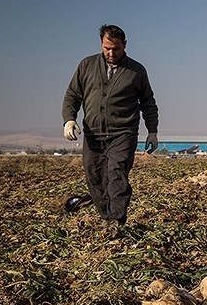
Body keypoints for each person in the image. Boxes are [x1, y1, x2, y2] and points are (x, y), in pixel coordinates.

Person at [62, 24, 159, 226]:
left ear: (125, 45)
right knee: (94, 177)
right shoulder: (86, 65)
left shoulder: (136, 71)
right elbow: (73, 95)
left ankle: (116, 221)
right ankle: (106, 216)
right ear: (101, 44)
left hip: (123, 132)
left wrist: (152, 131)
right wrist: (69, 119)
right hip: (93, 134)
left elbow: (148, 102)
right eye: (107, 48)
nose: (111, 53)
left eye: (116, 48)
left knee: (117, 175)